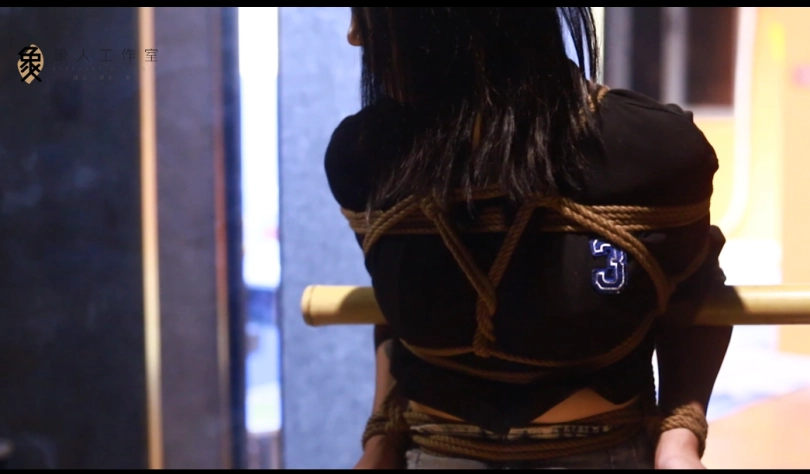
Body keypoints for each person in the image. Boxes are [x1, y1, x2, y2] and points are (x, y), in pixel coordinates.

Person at [325, 7, 732, 470]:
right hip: (433, 451)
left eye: (367, 14)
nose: (355, 36)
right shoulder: (365, 158)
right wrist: (381, 439)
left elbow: (695, 293)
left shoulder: (657, 155)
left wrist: (679, 440)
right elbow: (395, 300)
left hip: (598, 454)